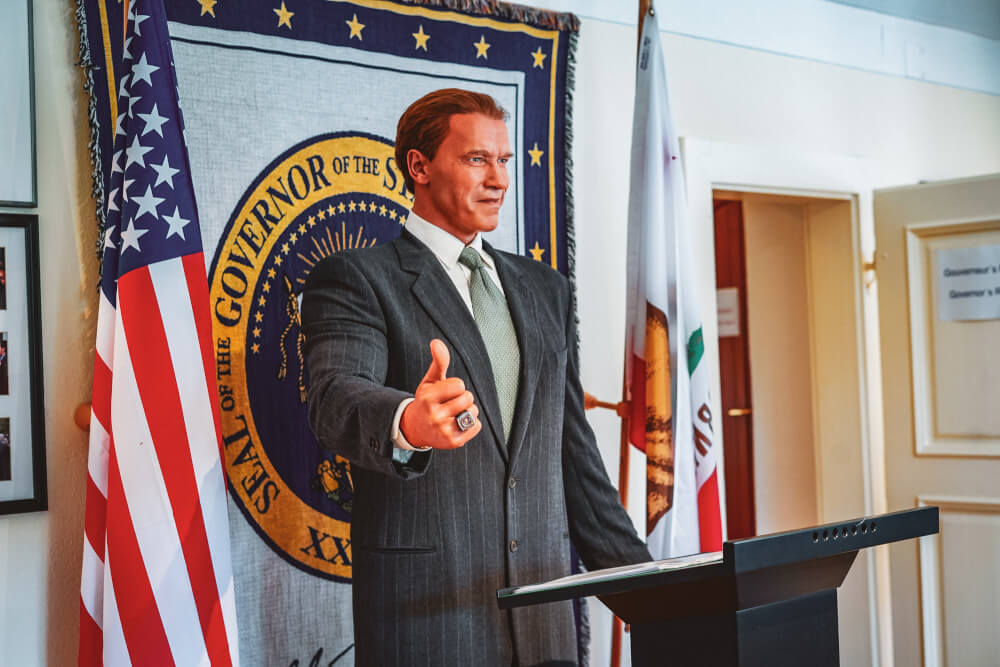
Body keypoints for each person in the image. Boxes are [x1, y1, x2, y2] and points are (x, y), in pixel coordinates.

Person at [302, 88, 651, 666]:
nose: (499, 180)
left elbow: (572, 456)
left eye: (504, 160)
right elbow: (335, 397)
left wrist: (656, 598)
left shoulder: (545, 289)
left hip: (543, 627)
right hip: (428, 625)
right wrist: (409, 421)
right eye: (476, 159)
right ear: (419, 166)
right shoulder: (357, 277)